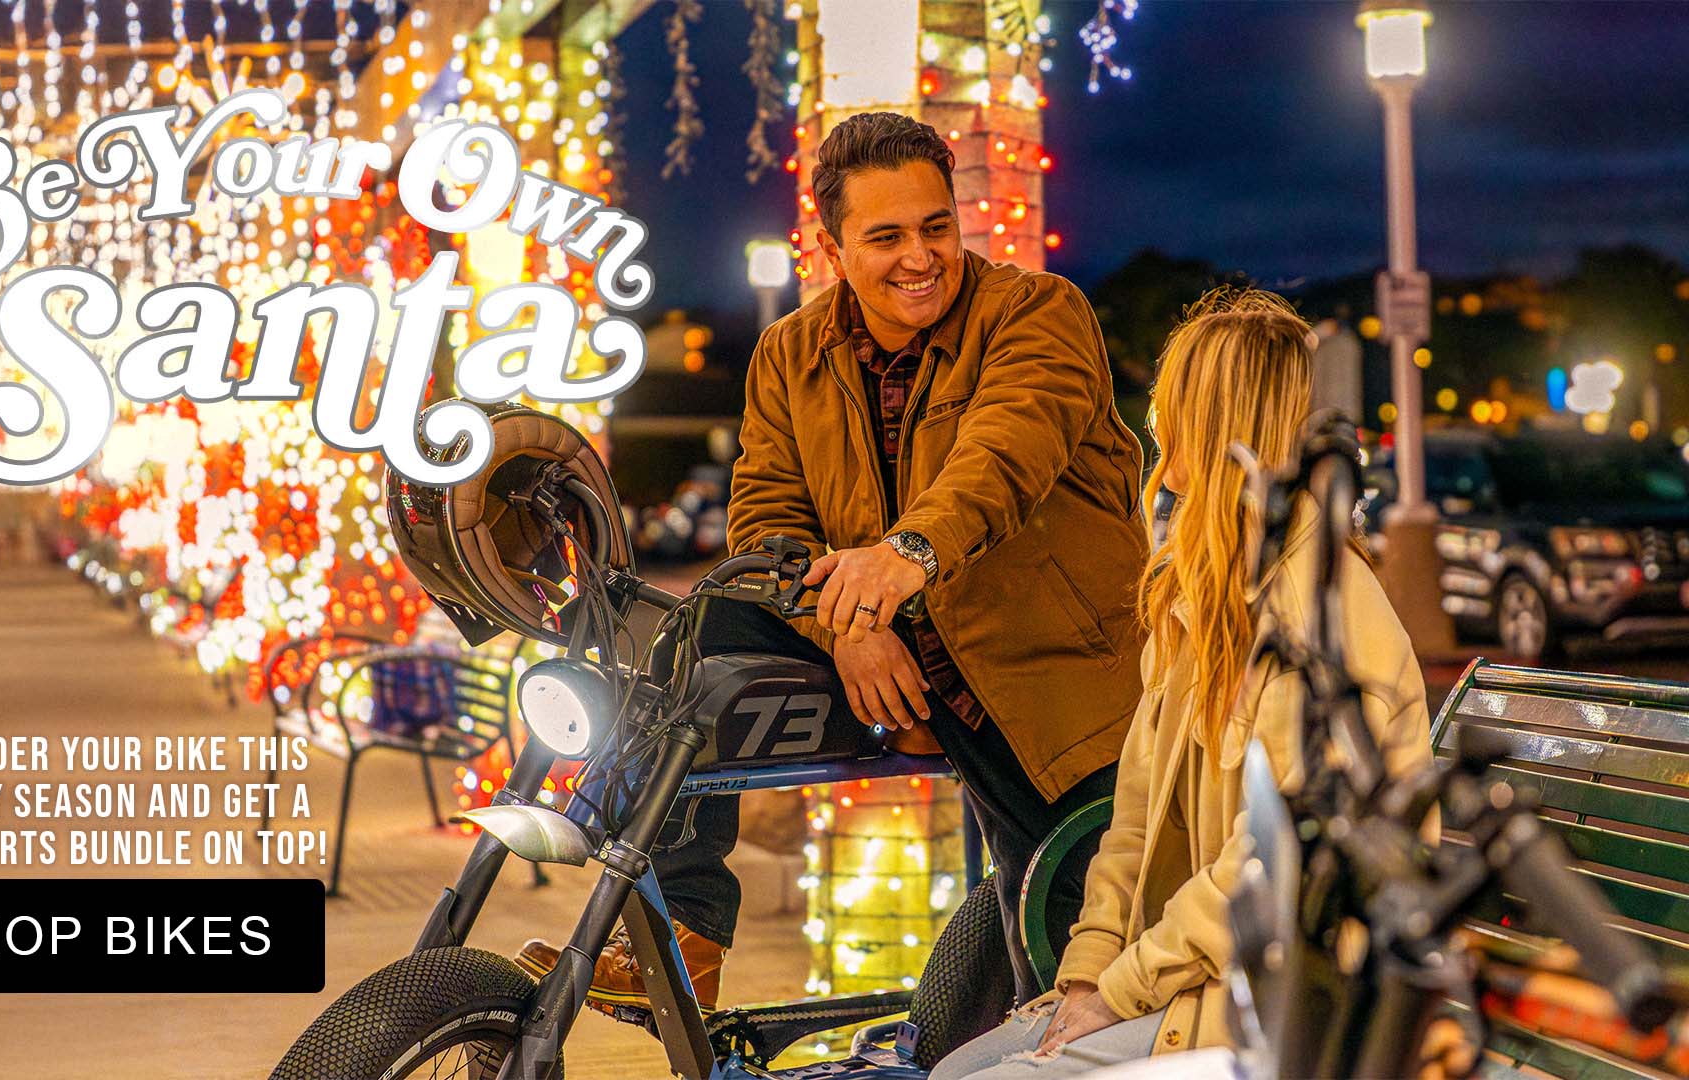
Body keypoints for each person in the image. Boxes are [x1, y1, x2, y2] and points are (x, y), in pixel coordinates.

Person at [516, 110, 1148, 1011]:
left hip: (1044, 677)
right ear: (831, 244)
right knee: (701, 627)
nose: (920, 257)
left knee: (1071, 954)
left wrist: (905, 556)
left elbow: (1005, 454)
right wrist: (847, 623)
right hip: (895, 655)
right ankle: (686, 934)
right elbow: (768, 523)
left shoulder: (1040, 314)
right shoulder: (788, 352)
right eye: (886, 236)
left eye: (936, 228)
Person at [929, 289, 1438, 1079]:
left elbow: (1273, 865)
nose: (1156, 445)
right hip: (1201, 978)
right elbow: (1132, 826)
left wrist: (1124, 988)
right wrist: (1087, 977)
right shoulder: (1195, 598)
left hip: (1291, 1003)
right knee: (954, 1071)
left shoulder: (1318, 614)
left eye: (1169, 419)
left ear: (1207, 433)